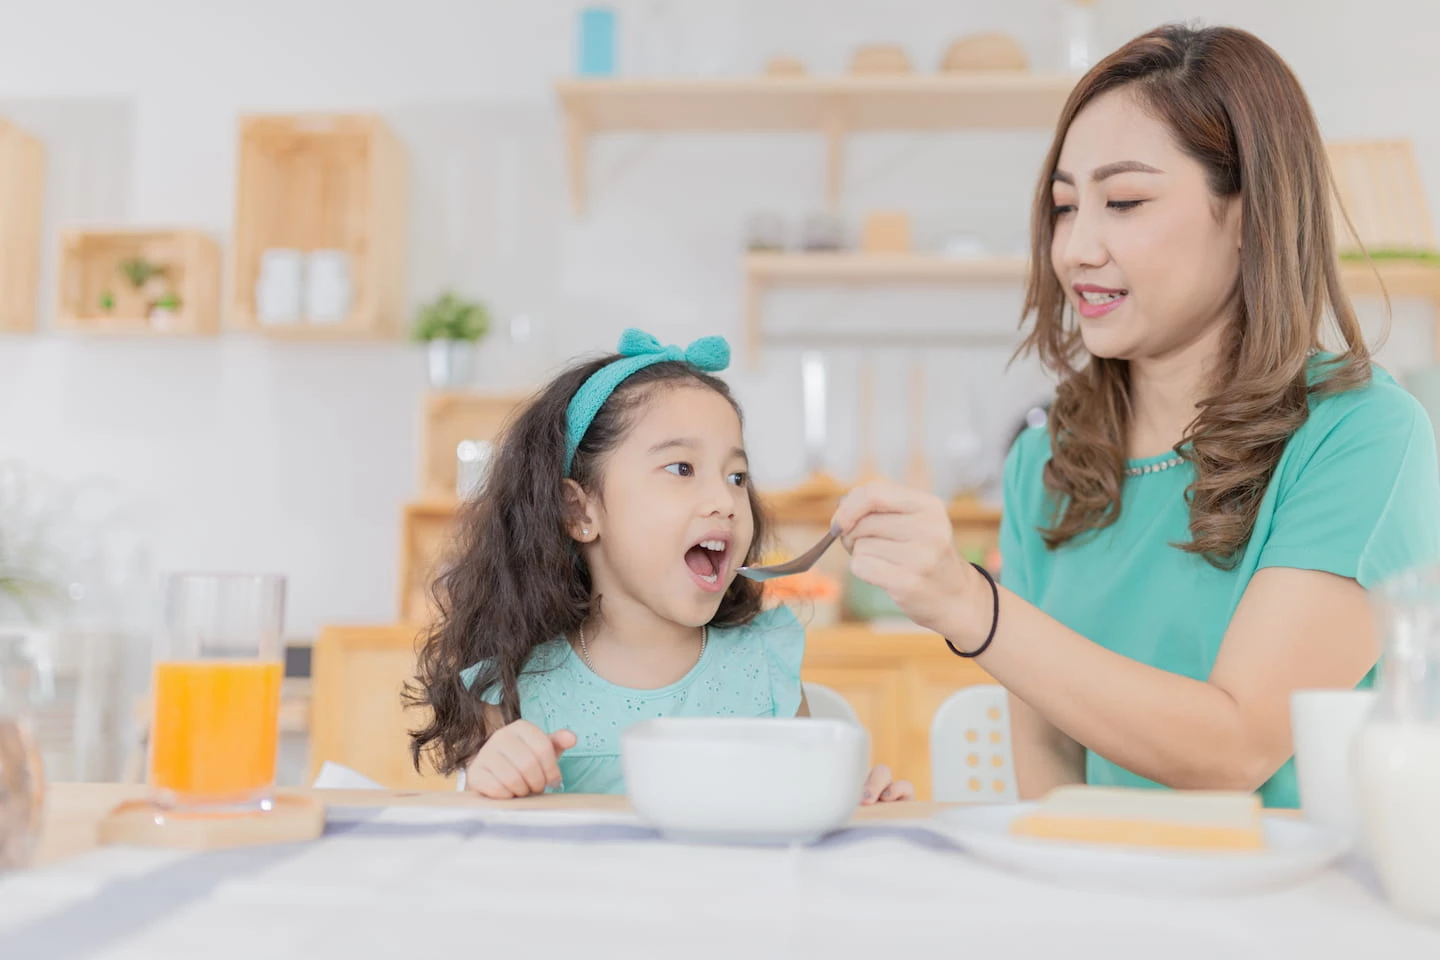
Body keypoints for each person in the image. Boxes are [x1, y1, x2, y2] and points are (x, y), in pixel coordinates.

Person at [831, 23, 1440, 808]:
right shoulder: (1045, 461)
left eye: (1124, 201)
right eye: (1063, 206)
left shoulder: (1360, 436)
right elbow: (1050, 771)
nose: (1076, 248)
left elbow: (1239, 745)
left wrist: (971, 606)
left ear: (1253, 214)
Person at [408, 328, 913, 803]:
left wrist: (854, 802)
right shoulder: (516, 687)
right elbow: (488, 855)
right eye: (681, 468)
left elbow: (804, 814)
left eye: (737, 476)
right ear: (579, 511)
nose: (726, 499)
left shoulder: (764, 664)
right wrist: (489, 779)